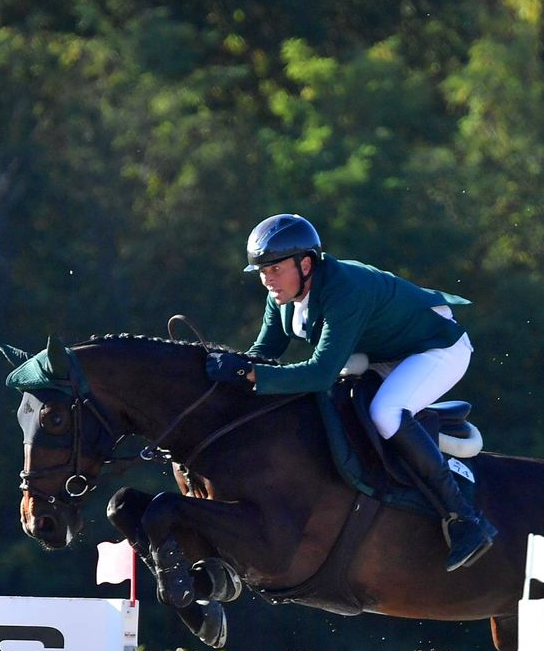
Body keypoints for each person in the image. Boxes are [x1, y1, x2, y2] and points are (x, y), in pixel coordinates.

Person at [204, 213, 496, 571]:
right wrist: (221, 377)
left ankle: (464, 519)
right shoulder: (281, 295)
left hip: (436, 349)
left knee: (385, 412)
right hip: (383, 352)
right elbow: (262, 354)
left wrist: (251, 375)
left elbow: (319, 374)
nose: (267, 280)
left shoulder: (345, 289)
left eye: (274, 269)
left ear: (306, 263)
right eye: (262, 272)